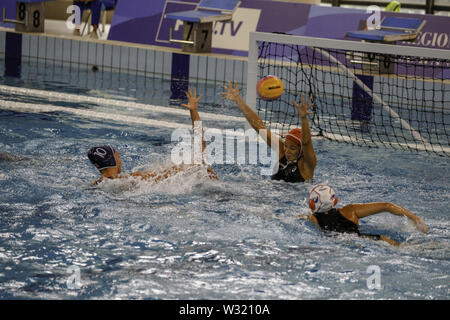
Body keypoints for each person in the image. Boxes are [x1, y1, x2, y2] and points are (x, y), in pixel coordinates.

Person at [87, 88, 217, 184]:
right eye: (118, 156)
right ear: (112, 160)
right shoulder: (134, 179)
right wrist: (193, 111)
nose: (120, 160)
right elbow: (200, 151)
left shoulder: (97, 184)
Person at [221, 81, 317, 182]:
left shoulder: (308, 165)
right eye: (286, 145)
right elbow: (259, 127)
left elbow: (306, 143)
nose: (287, 151)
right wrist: (238, 100)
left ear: (301, 150)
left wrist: (303, 118)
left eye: (292, 148)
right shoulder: (281, 150)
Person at [297, 185, 429, 246]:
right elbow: (387, 206)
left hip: (338, 245)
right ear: (334, 200)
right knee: (393, 243)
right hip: (369, 241)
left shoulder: (311, 218)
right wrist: (416, 219)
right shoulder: (350, 211)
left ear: (311, 204)